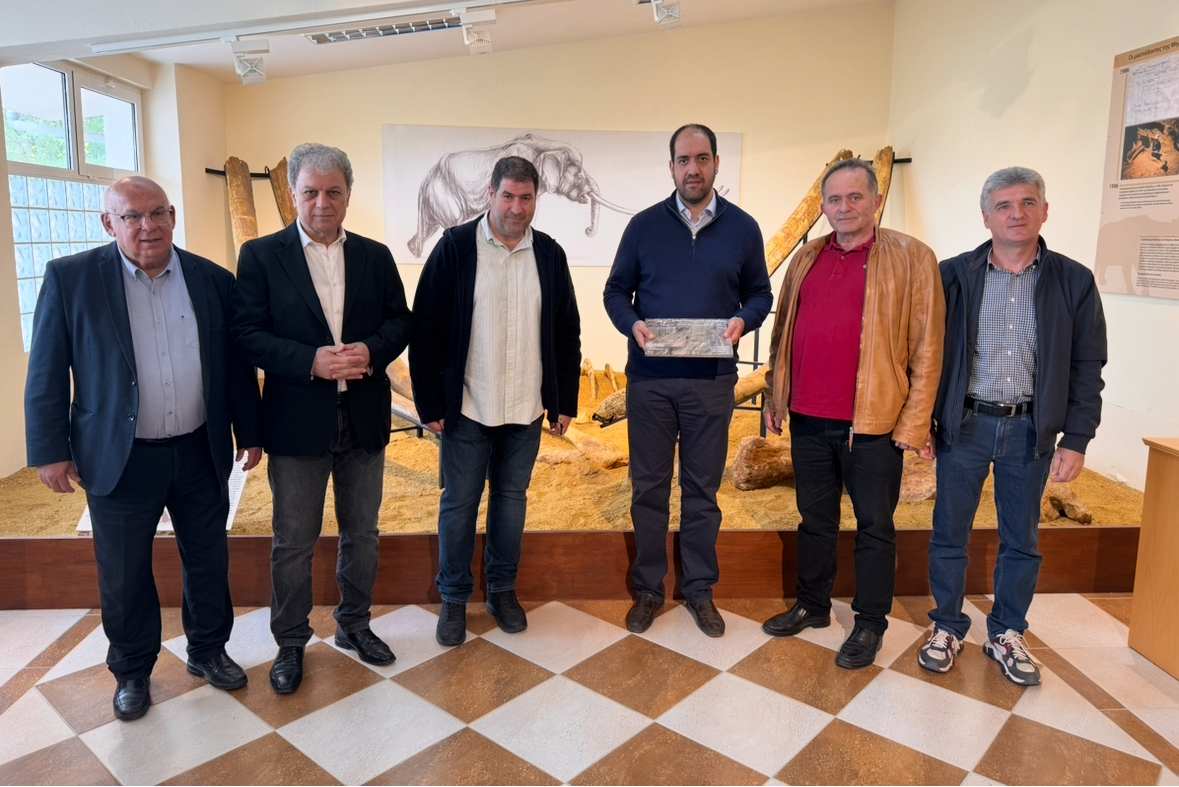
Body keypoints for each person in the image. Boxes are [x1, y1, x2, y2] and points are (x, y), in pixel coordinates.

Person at [25, 176, 262, 721]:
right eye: (131, 216)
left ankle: (208, 651)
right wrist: (49, 449)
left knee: (208, 559)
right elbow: (46, 370)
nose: (147, 226)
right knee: (124, 572)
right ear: (109, 223)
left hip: (199, 448)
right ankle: (132, 670)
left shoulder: (212, 280)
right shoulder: (71, 278)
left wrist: (249, 431)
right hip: (119, 456)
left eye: (157, 213)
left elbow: (234, 366)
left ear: (172, 216)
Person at [232, 143, 412, 695]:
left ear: (348, 194)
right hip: (295, 421)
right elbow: (246, 334)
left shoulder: (376, 256)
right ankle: (290, 640)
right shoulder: (261, 256)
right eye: (310, 192)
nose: (322, 203)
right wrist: (308, 360)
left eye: (334, 191)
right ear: (293, 193)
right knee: (293, 540)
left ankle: (354, 625)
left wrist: (372, 350)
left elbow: (400, 322)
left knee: (363, 532)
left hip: (363, 418)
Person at [919, 166, 1106, 686]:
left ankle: (1006, 632)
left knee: (1021, 538)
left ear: (1044, 211)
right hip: (964, 425)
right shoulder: (952, 275)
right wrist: (923, 421)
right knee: (949, 532)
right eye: (1003, 205)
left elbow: (1087, 365)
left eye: (1027, 203)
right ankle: (947, 626)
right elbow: (925, 355)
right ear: (986, 217)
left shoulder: (1073, 281)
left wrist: (1077, 438)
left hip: (1030, 430)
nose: (1016, 214)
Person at [760, 158, 945, 670]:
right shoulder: (806, 257)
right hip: (808, 417)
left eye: (855, 197)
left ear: (877, 201)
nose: (844, 208)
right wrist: (777, 395)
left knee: (875, 527)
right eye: (835, 199)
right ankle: (813, 604)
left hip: (873, 425)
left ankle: (870, 622)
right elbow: (782, 332)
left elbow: (928, 347)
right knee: (814, 520)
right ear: (822, 206)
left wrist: (915, 423)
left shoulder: (912, 257)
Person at [603, 123, 772, 638]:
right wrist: (632, 325)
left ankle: (699, 590)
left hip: (711, 382)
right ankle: (649, 590)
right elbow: (615, 292)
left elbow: (760, 294)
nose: (692, 169)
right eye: (683, 160)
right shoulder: (643, 227)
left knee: (702, 491)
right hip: (650, 382)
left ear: (716, 163)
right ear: (671, 167)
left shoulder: (743, 228)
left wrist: (744, 319)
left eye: (701, 158)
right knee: (649, 490)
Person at [410, 156, 581, 647]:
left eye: (526, 198)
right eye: (508, 196)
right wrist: (429, 404)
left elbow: (566, 331)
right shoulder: (455, 248)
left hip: (524, 408)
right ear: (490, 194)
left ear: (536, 199)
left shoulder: (549, 255)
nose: (516, 208)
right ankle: (453, 598)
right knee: (459, 504)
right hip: (468, 406)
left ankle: (502, 591)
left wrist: (564, 399)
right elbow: (425, 328)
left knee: (510, 503)